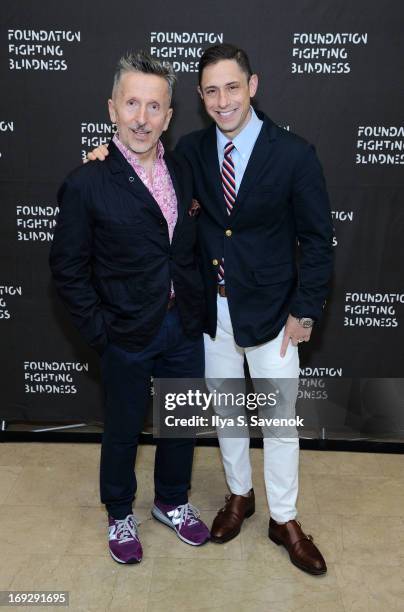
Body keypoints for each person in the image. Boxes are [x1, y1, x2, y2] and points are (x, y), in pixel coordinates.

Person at [87, 43, 334, 576]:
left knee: (280, 422)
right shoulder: (193, 152)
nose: (223, 101)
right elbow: (139, 163)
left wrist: (305, 311)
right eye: (212, 91)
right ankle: (239, 497)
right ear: (199, 98)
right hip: (210, 316)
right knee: (223, 414)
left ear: (253, 86)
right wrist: (104, 157)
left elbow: (317, 241)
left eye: (233, 88)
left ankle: (284, 519)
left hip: (275, 319)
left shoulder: (294, 154)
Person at [49, 51, 210, 565]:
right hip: (124, 331)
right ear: (113, 108)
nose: (142, 118)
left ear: (168, 115)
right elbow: (68, 270)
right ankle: (120, 510)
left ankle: (172, 502)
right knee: (122, 429)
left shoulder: (184, 167)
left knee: (181, 422)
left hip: (182, 324)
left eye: (154, 106)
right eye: (132, 103)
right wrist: (102, 333)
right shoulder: (85, 182)